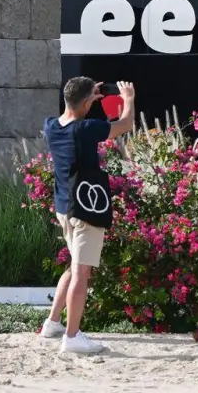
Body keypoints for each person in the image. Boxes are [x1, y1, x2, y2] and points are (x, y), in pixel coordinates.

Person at [38, 76, 135, 354]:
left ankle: (53, 323)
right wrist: (127, 98)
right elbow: (125, 125)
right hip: (85, 209)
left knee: (73, 265)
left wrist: (86, 98)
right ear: (85, 103)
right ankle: (72, 336)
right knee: (82, 273)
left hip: (63, 207)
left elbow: (72, 113)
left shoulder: (52, 126)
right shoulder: (87, 129)